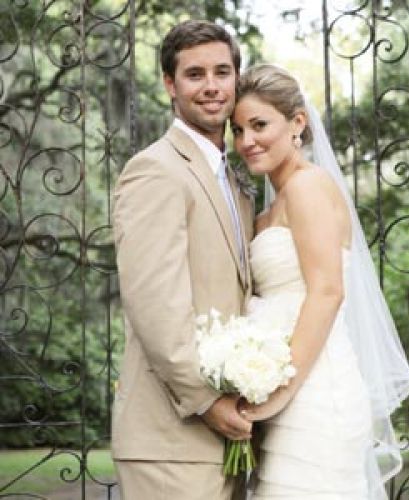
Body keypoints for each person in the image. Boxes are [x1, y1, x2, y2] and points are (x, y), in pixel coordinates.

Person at [231, 64, 409, 499]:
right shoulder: (268, 211)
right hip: (286, 390)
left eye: (259, 125)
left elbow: (327, 292)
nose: (246, 141)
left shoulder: (308, 187)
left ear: (297, 123)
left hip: (316, 394)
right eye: (237, 130)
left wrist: (279, 392)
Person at [111, 20, 254, 500]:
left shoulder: (234, 181)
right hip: (170, 440)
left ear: (236, 78)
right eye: (195, 75)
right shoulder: (155, 170)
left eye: (222, 72)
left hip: (223, 438)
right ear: (170, 85)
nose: (212, 86)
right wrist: (207, 401)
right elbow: (155, 304)